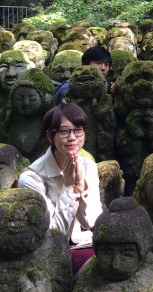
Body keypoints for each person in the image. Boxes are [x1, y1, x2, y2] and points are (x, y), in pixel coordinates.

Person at [18, 103, 103, 272]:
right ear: (50, 136)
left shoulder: (88, 166)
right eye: (64, 131)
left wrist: (81, 186)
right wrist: (69, 188)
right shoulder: (31, 178)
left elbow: (93, 222)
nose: (72, 137)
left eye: (78, 130)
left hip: (85, 242)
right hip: (49, 251)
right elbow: (53, 233)